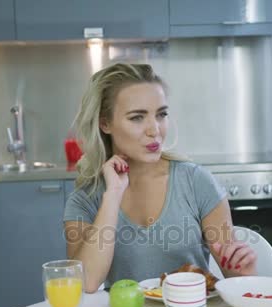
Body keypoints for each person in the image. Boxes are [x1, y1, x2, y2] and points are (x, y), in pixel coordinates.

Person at [63, 63, 257, 293]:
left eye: (161, 114)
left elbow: (234, 277)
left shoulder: (196, 182)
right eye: (137, 117)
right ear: (105, 123)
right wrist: (112, 195)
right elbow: (87, 283)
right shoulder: (86, 198)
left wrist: (243, 271)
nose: (154, 129)